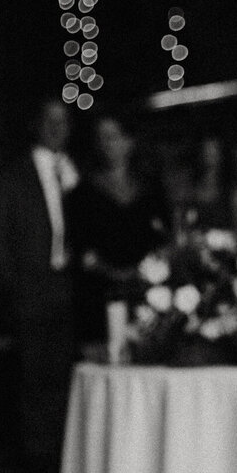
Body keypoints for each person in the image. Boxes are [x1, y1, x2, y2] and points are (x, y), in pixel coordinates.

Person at [0, 99, 79, 473]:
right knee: (34, 373)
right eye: (50, 121)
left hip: (69, 283)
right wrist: (16, 284)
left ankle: (67, 450)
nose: (58, 129)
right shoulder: (14, 175)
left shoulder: (75, 172)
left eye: (64, 121)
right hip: (32, 284)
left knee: (67, 370)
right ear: (37, 125)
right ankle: (39, 455)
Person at [67, 115, 169, 343]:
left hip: (148, 296)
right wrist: (113, 273)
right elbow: (81, 250)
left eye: (112, 136)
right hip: (100, 298)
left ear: (129, 141)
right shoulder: (83, 194)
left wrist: (144, 273)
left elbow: (163, 239)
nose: (107, 144)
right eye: (101, 138)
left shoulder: (149, 190)